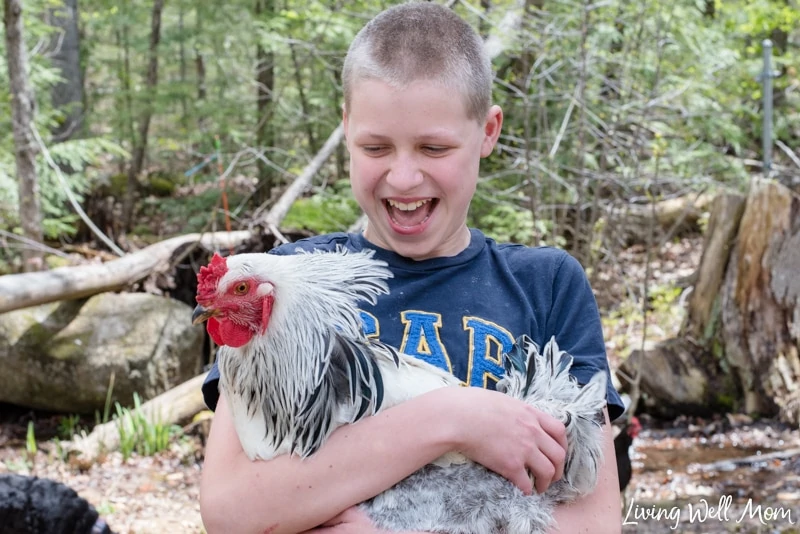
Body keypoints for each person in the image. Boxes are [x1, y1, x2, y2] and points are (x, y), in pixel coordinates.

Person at [199, 3, 625, 533]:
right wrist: (450, 420)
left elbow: (596, 518)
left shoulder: (548, 284)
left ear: (488, 131)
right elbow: (229, 512)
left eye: (433, 146)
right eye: (376, 146)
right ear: (346, 128)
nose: (403, 178)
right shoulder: (283, 283)